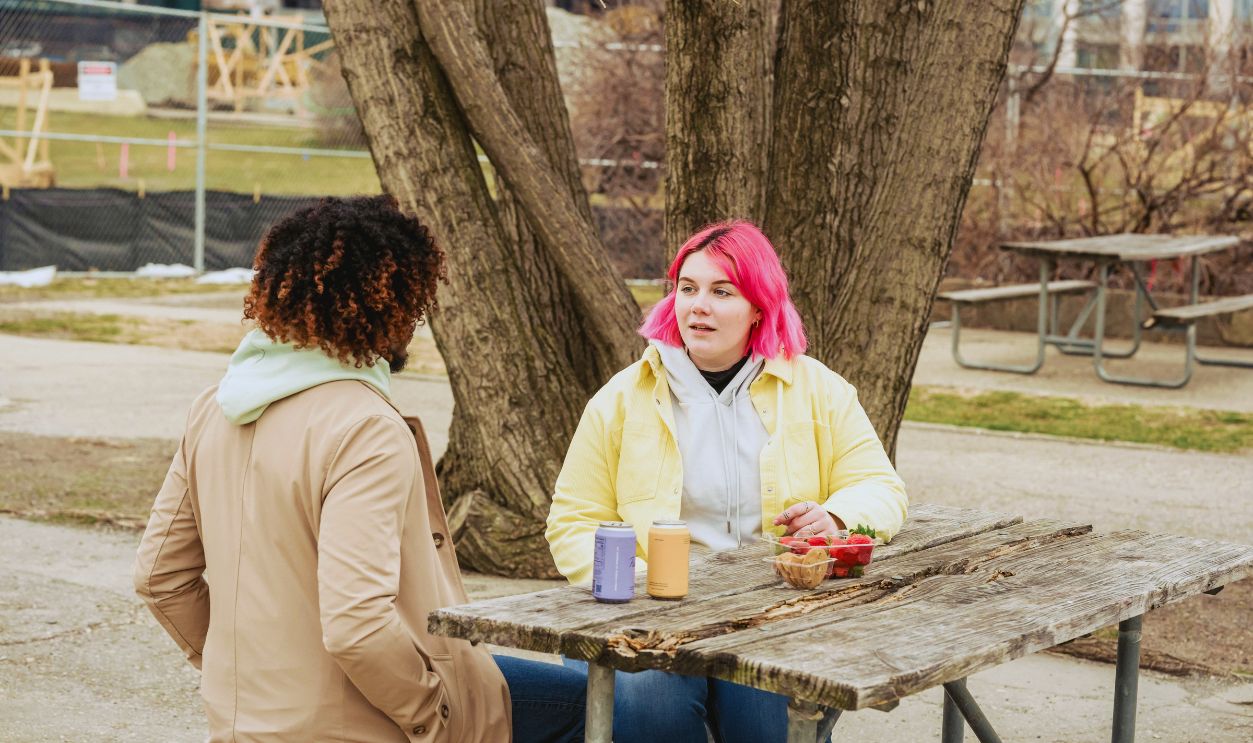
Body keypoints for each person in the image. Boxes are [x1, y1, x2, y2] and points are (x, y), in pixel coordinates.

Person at [134, 195, 585, 743]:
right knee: (592, 705)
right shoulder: (365, 427)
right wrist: (432, 721)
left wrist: (245, 679)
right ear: (392, 306)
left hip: (244, 719)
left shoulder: (215, 405)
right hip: (361, 723)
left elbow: (159, 577)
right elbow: (357, 626)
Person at [545, 219, 907, 743]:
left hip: (771, 614)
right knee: (650, 706)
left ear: (759, 305)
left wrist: (836, 516)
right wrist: (634, 585)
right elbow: (573, 520)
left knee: (766, 719)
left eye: (722, 291)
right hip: (654, 618)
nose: (698, 306)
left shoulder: (817, 389)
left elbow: (881, 486)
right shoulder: (622, 397)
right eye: (687, 289)